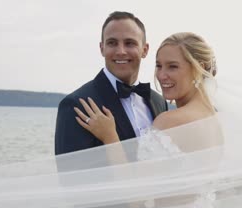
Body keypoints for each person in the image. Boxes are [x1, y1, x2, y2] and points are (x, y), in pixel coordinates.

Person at [74, 32, 222, 153]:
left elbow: (136, 184)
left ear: (198, 68)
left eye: (173, 66)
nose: (162, 75)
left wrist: (110, 137)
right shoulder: (219, 118)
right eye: (159, 66)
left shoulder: (170, 121)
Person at [54, 11, 168, 155]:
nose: (121, 51)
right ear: (102, 48)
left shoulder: (159, 102)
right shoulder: (75, 105)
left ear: (144, 50)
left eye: (129, 43)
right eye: (112, 43)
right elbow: (69, 175)